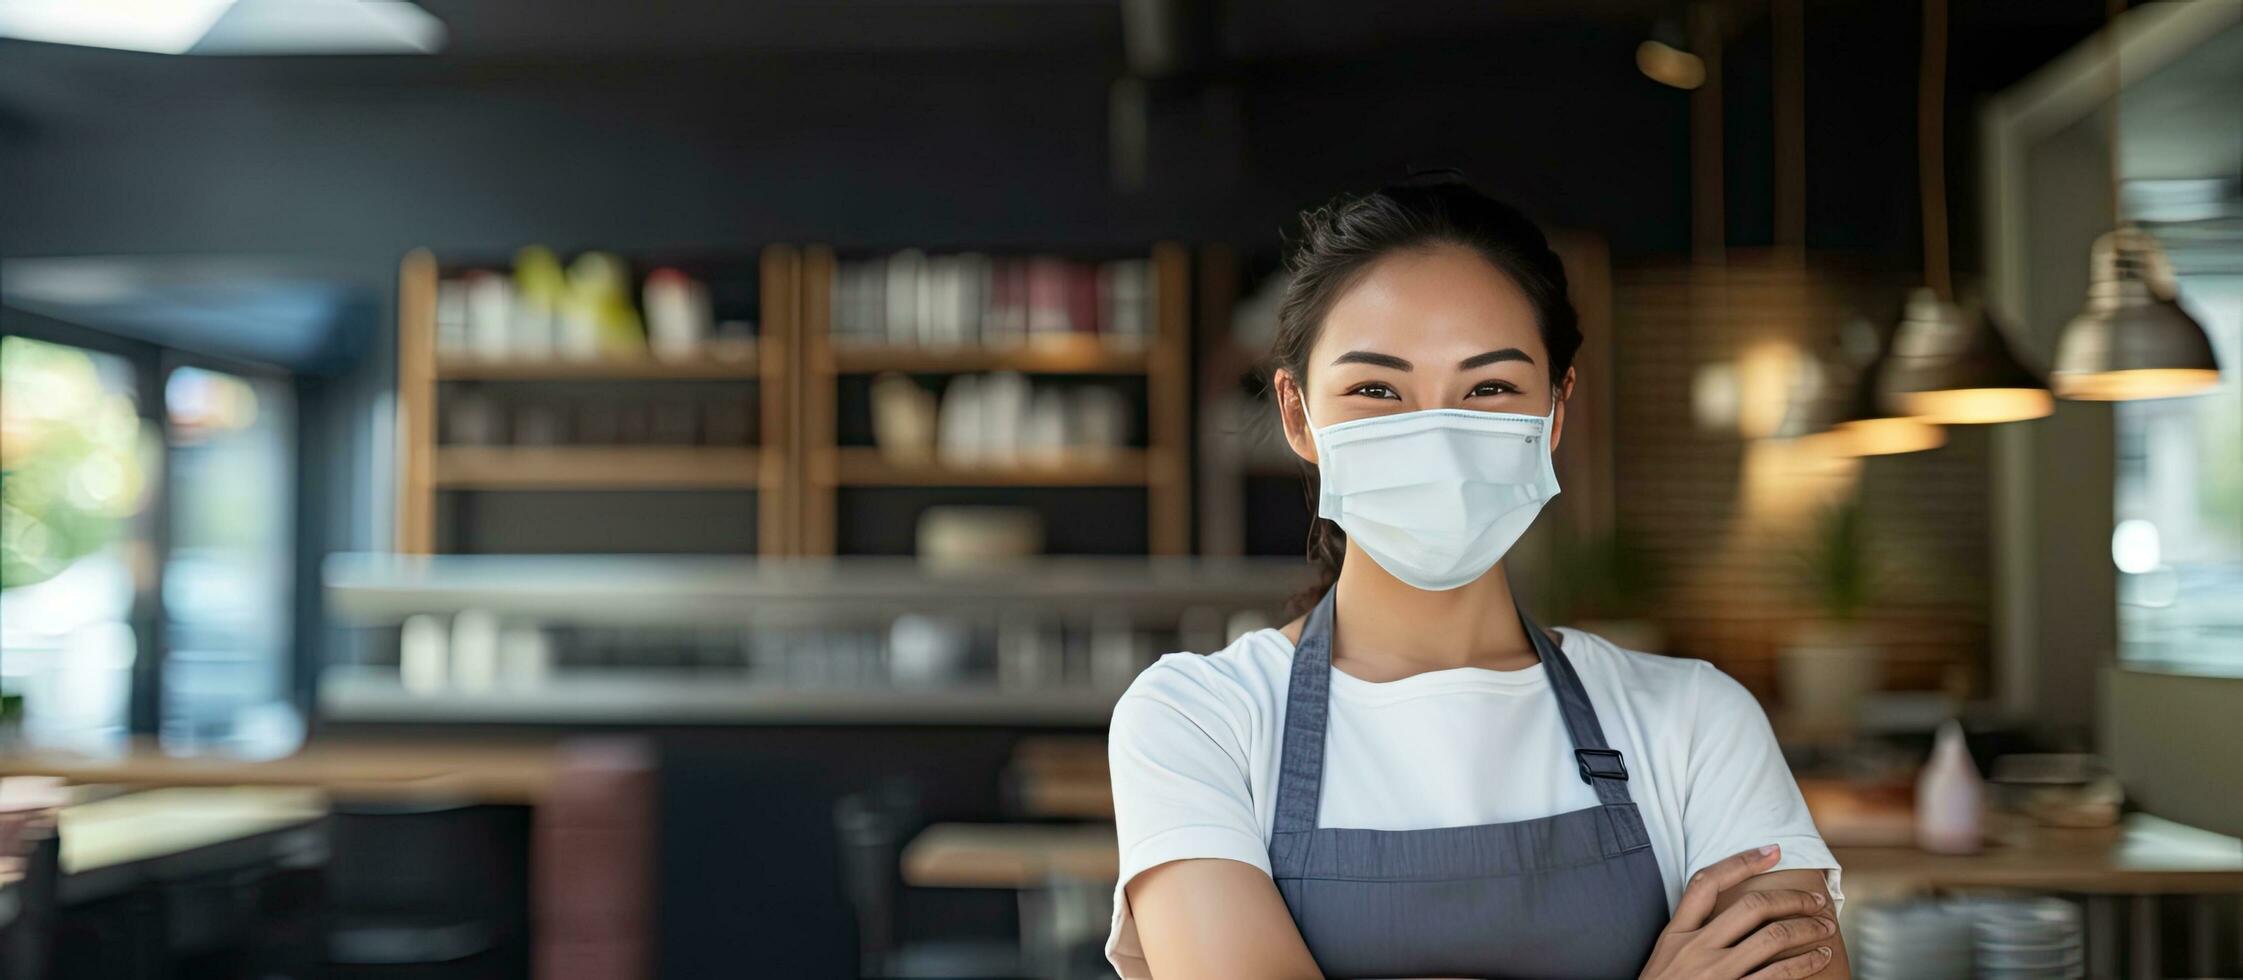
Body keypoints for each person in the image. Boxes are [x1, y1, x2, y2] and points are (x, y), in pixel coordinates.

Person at [1105, 174, 1848, 979]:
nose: (1436, 437)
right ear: (1297, 416)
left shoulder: (1696, 721)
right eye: (1374, 390)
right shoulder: (1199, 720)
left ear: (1553, 413)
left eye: (1489, 387)